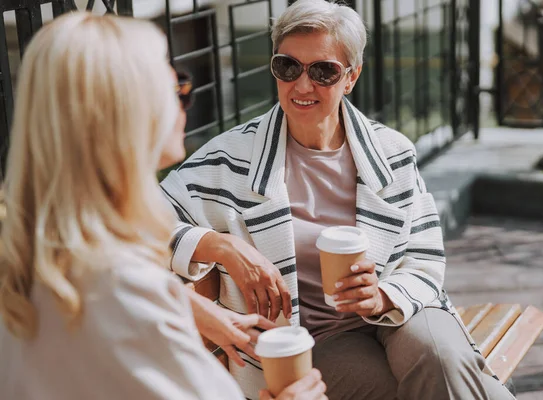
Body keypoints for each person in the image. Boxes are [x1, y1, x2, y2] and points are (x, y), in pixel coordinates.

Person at [160, 1, 518, 399]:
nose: (302, 85)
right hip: (323, 337)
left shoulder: (391, 151)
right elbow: (135, 224)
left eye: (323, 71)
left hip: (402, 310)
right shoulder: (230, 160)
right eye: (288, 66)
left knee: (441, 356)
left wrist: (380, 295)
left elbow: (425, 256)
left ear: (351, 77)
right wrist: (220, 245)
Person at [0, 12, 327, 400]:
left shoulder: (24, 243)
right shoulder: (122, 296)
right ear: (134, 117)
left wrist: (186, 303)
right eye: (177, 90)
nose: (186, 104)